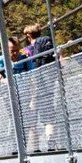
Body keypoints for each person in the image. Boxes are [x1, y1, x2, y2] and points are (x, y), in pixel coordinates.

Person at [22, 24, 56, 152]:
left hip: (34, 85)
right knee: (48, 116)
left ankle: (35, 148)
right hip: (48, 83)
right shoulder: (48, 41)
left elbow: (19, 58)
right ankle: (50, 144)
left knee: (32, 116)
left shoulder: (27, 49)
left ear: (28, 35)